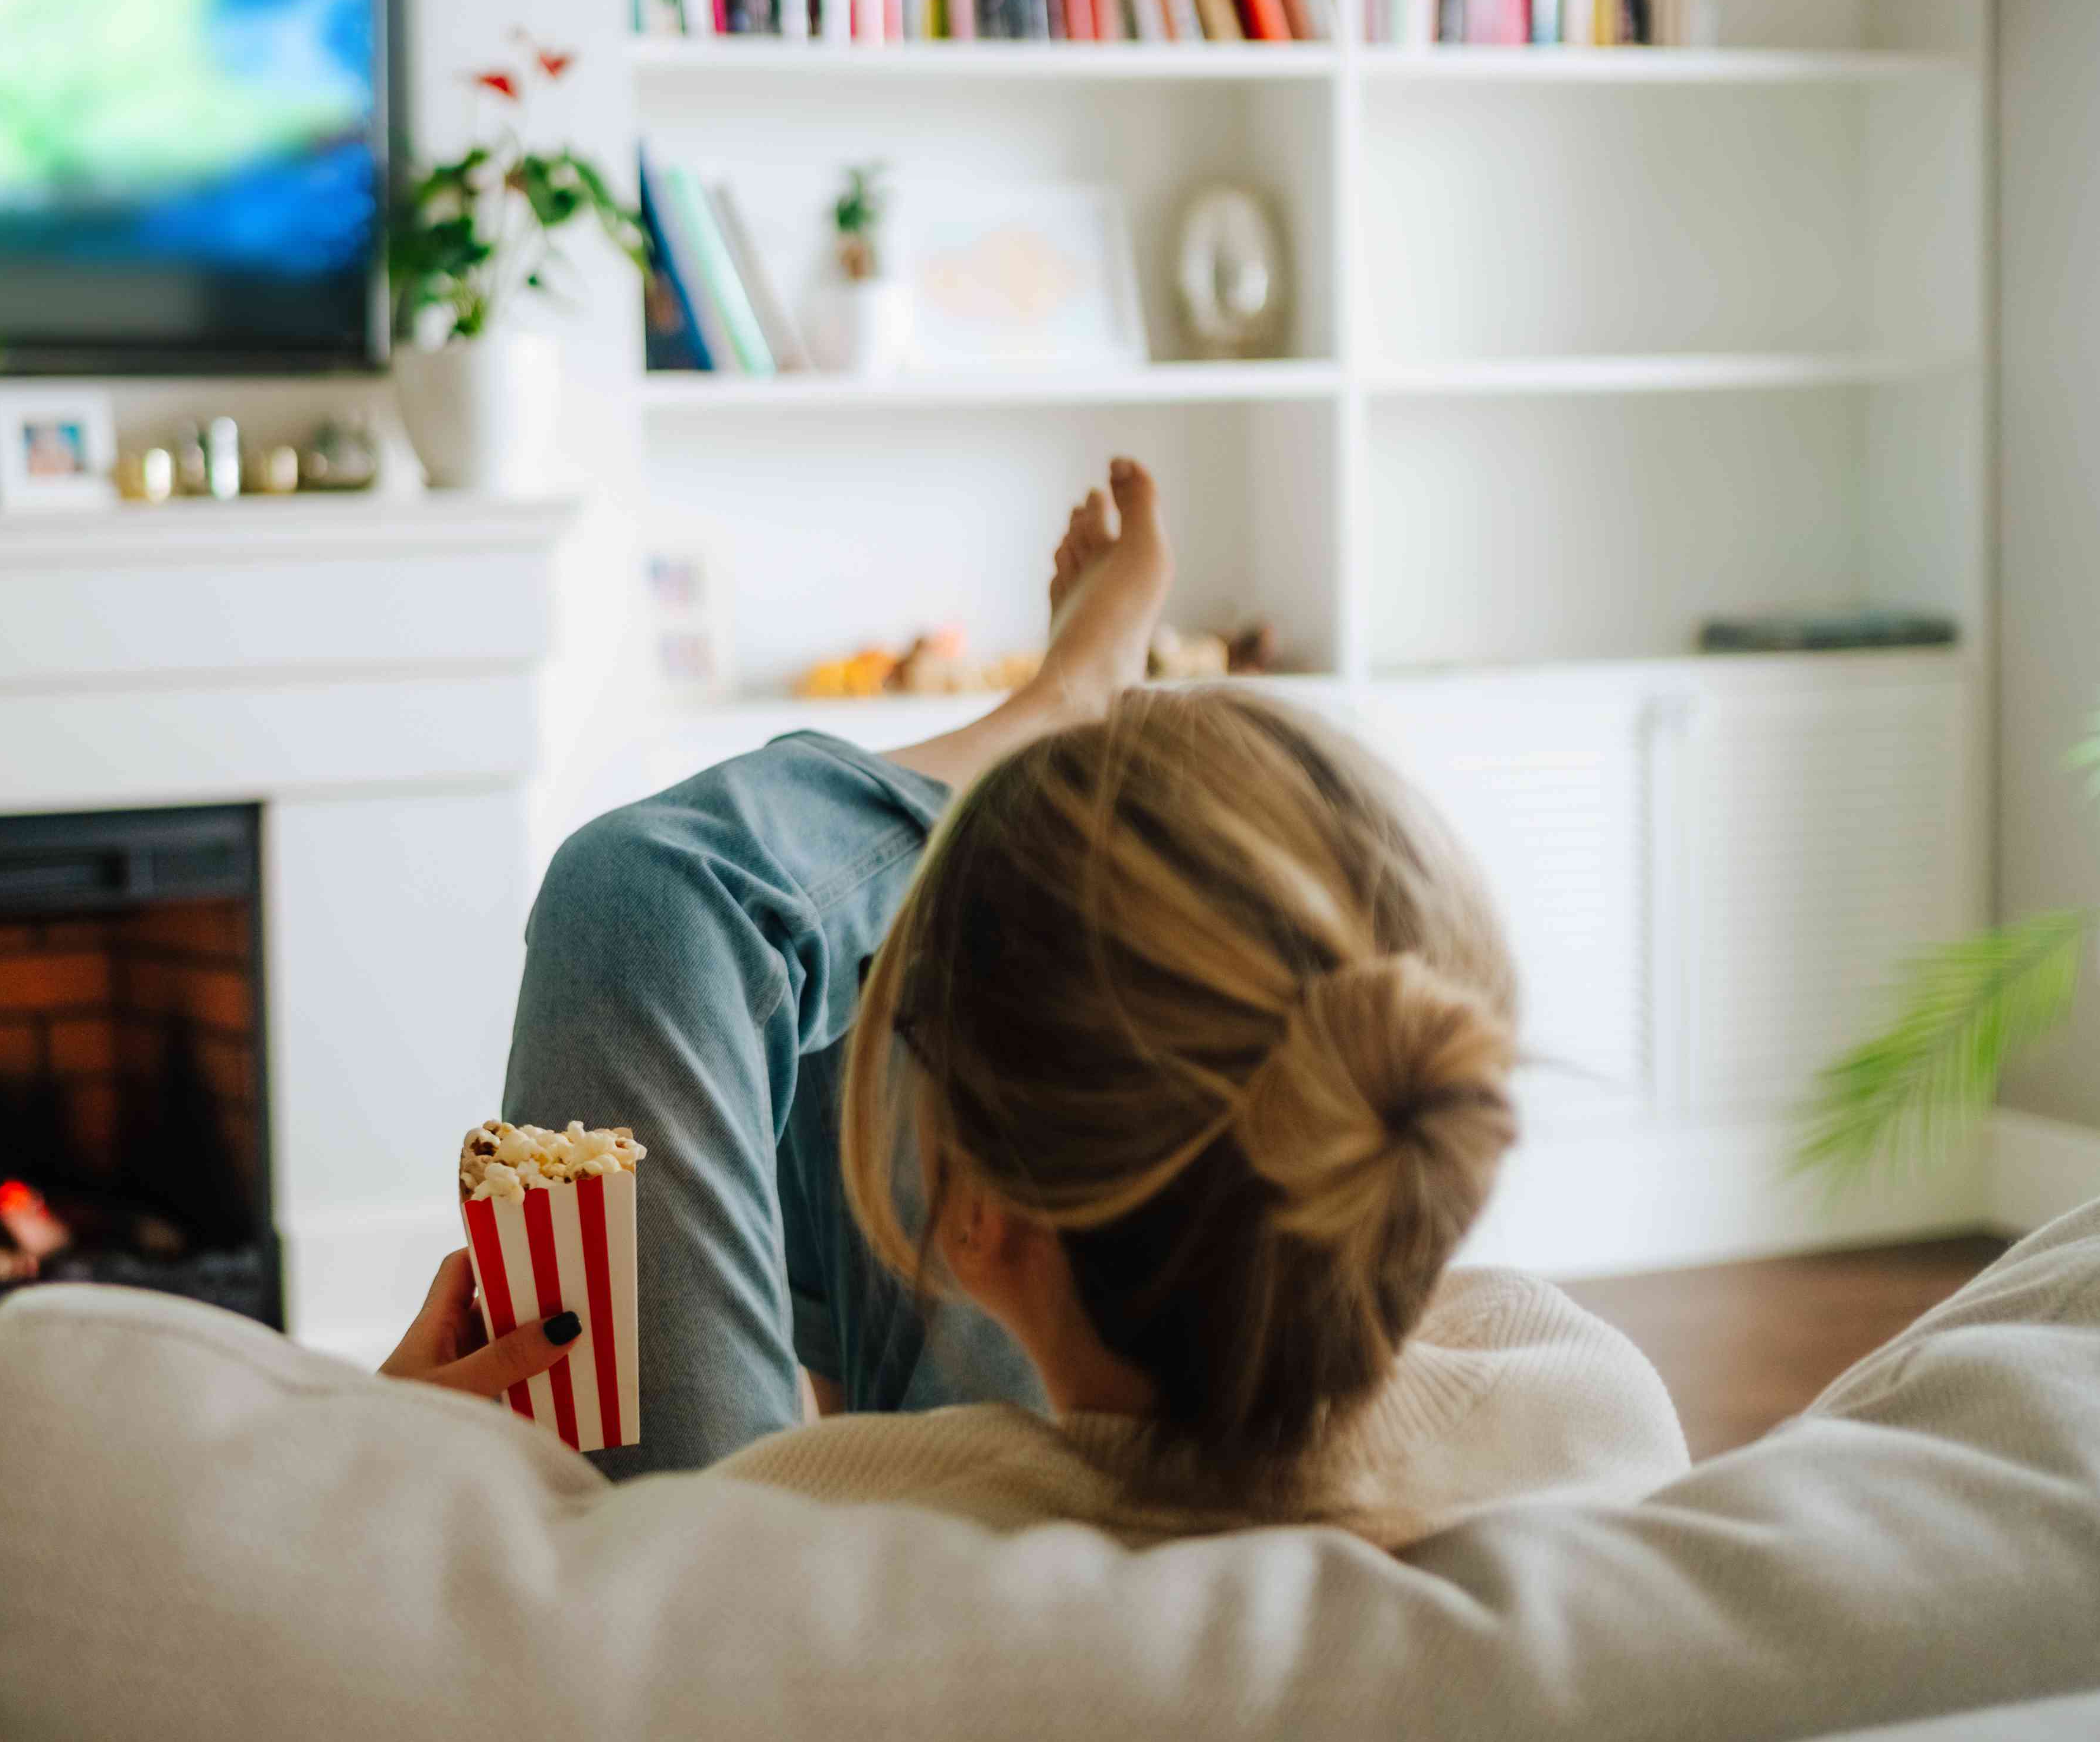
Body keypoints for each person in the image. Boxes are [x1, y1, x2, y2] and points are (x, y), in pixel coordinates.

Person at [381, 460, 1682, 1542]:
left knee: (651, 895)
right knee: (911, 1002)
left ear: (979, 1220)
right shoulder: (1597, 1408)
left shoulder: (785, 1536)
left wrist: (393, 1445)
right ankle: (1052, 739)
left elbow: (590, 1583)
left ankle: (1049, 716)